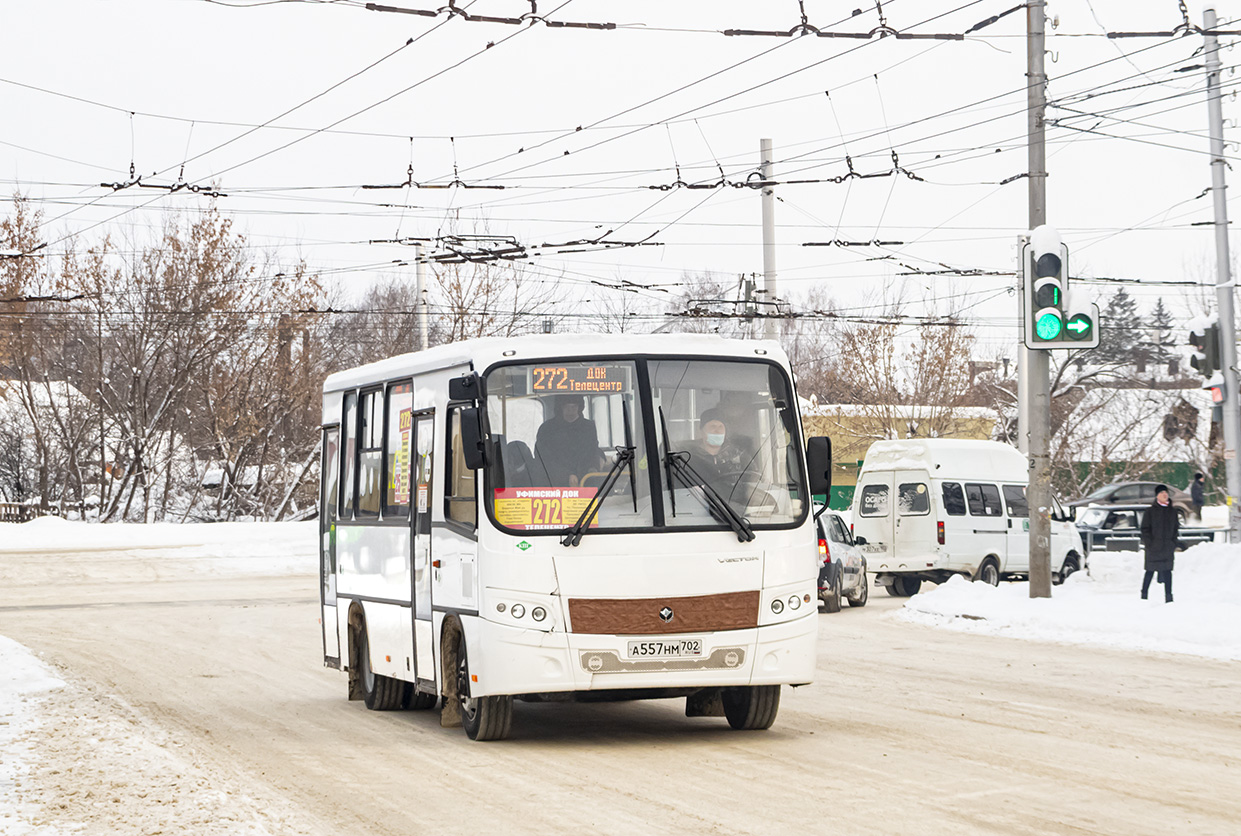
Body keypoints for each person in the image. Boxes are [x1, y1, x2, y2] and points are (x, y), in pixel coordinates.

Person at [534, 395, 602, 487]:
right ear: (561, 407)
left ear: (580, 407)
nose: (570, 410)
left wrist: (594, 467)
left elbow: (593, 451)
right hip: (553, 484)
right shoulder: (547, 429)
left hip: (586, 481)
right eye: (567, 407)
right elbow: (543, 458)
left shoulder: (589, 427)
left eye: (574, 406)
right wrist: (566, 476)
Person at [683, 409, 748, 488]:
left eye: (721, 427)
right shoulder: (688, 457)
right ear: (701, 431)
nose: (717, 431)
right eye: (713, 426)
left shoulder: (739, 454)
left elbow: (754, 480)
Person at [1139, 484, 1179, 603]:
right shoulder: (1150, 511)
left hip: (1167, 547)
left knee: (1167, 572)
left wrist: (1173, 543)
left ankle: (1169, 597)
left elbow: (1176, 529)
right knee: (1150, 571)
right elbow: (1145, 529)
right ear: (1157, 496)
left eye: (1166, 493)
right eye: (1161, 493)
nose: (1164, 495)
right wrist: (1149, 543)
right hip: (1153, 547)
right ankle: (1144, 596)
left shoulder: (1172, 511)